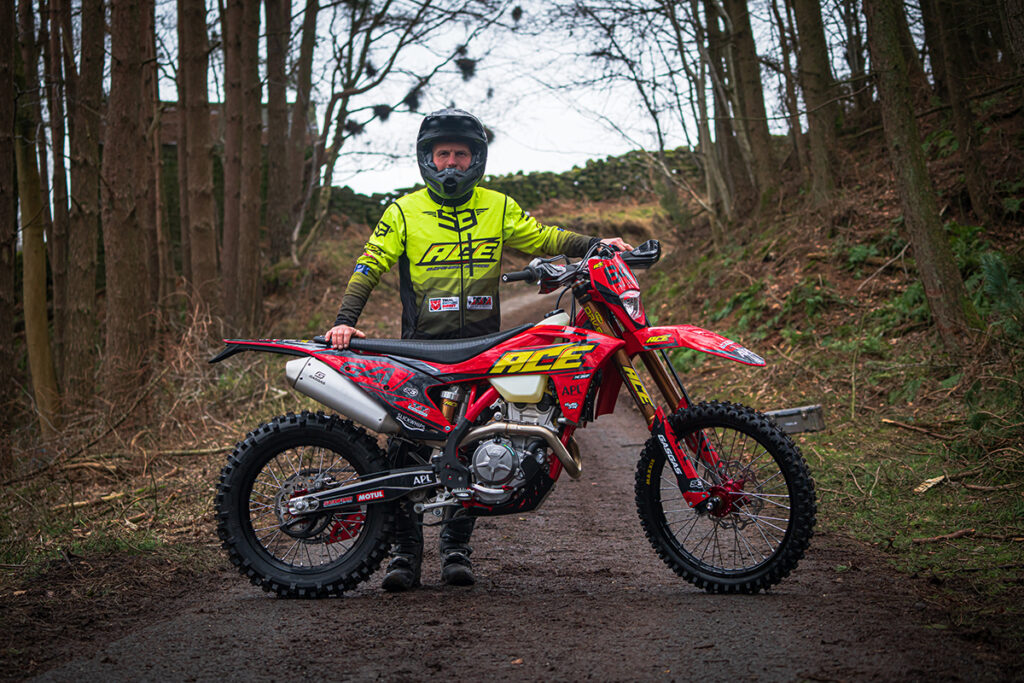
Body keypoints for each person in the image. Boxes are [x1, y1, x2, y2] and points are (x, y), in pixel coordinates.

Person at [325, 108, 631, 591]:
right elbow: (371, 263)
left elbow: (544, 237)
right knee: (407, 448)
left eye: (460, 154)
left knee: (470, 445)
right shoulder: (403, 211)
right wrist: (346, 321)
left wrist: (595, 244)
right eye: (442, 154)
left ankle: (455, 550)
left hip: (483, 350)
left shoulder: (497, 206)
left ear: (476, 159)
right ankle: (404, 554)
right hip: (421, 348)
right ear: (427, 158)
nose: (451, 163)